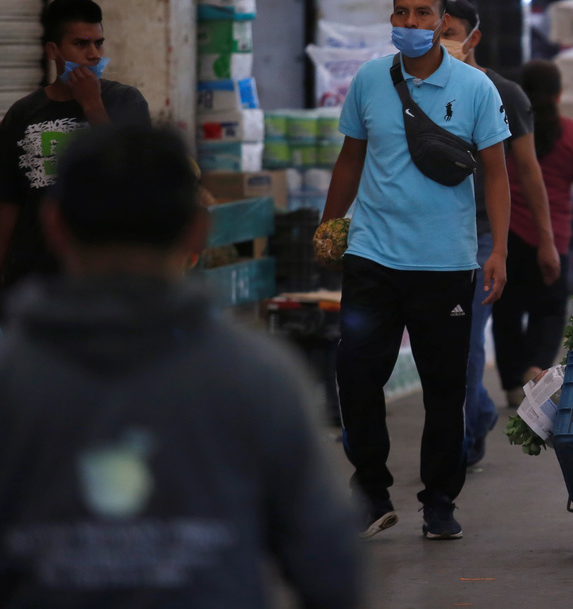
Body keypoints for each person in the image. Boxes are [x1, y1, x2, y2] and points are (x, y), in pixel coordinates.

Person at [0, 125, 360, 607]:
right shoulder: (259, 378)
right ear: (198, 229)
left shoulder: (11, 376)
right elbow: (331, 570)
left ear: (54, 225)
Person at [323, 0, 512, 541]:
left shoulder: (475, 88)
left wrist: (500, 249)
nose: (410, 23)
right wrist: (330, 226)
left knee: (444, 390)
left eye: (422, 14)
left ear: (441, 21)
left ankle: (439, 501)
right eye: (401, 13)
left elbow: (497, 174)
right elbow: (351, 158)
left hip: (445, 264)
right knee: (357, 379)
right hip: (372, 257)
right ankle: (371, 491)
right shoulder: (369, 80)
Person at [441, 0, 558, 458]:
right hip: (427, 233)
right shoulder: (413, 88)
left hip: (479, 234)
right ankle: (479, 413)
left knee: (467, 337)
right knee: (444, 340)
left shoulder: (504, 93)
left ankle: (461, 442)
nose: (440, 41)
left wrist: (546, 241)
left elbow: (528, 172)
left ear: (474, 38)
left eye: (450, 33)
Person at [0, 0, 150, 304]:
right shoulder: (23, 113)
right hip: (34, 280)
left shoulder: (125, 102)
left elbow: (134, 177)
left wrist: (92, 104)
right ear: (53, 51)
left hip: (107, 281)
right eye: (81, 44)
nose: (94, 54)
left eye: (98, 43)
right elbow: (8, 204)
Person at [492, 61, 573, 405]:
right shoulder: (570, 134)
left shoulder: (503, 129)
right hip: (553, 241)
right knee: (550, 309)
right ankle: (536, 368)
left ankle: (512, 385)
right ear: (559, 95)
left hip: (508, 235)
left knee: (506, 311)